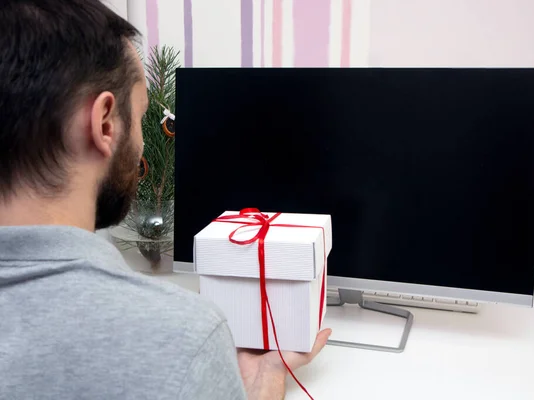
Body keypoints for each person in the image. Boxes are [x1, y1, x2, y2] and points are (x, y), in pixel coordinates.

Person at [0, 1, 331, 399]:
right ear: (104, 122)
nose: (142, 145)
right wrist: (268, 378)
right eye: (140, 117)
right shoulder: (182, 336)